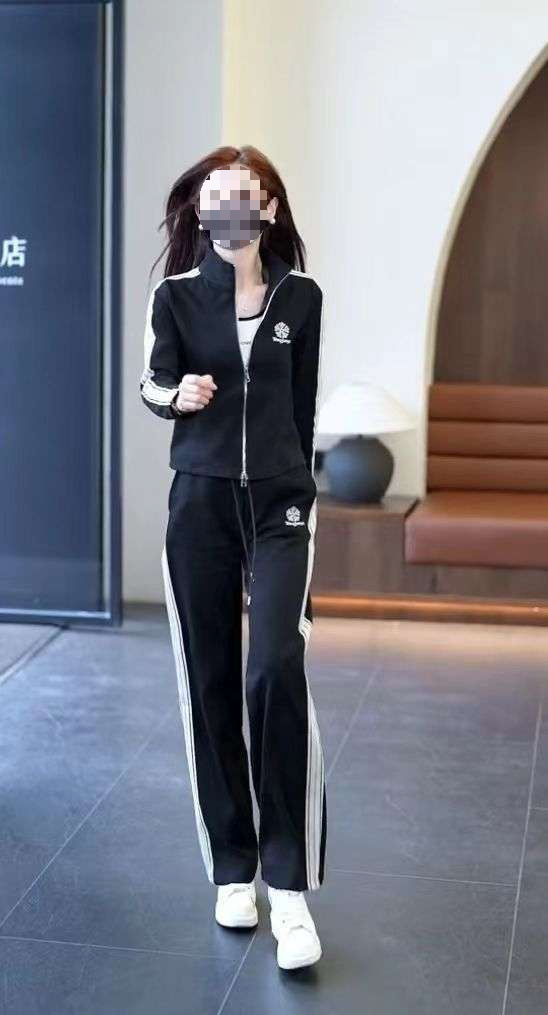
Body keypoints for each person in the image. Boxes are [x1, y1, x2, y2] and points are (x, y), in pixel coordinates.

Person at [140, 145, 327, 971]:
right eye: (215, 198)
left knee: (274, 665)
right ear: (203, 211)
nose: (230, 211)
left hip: (280, 507)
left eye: (245, 197)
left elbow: (302, 406)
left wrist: (302, 491)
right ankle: (233, 867)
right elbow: (153, 383)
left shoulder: (301, 297)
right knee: (210, 680)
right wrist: (176, 395)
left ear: (268, 209)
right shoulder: (176, 297)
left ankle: (289, 890)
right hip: (201, 505)